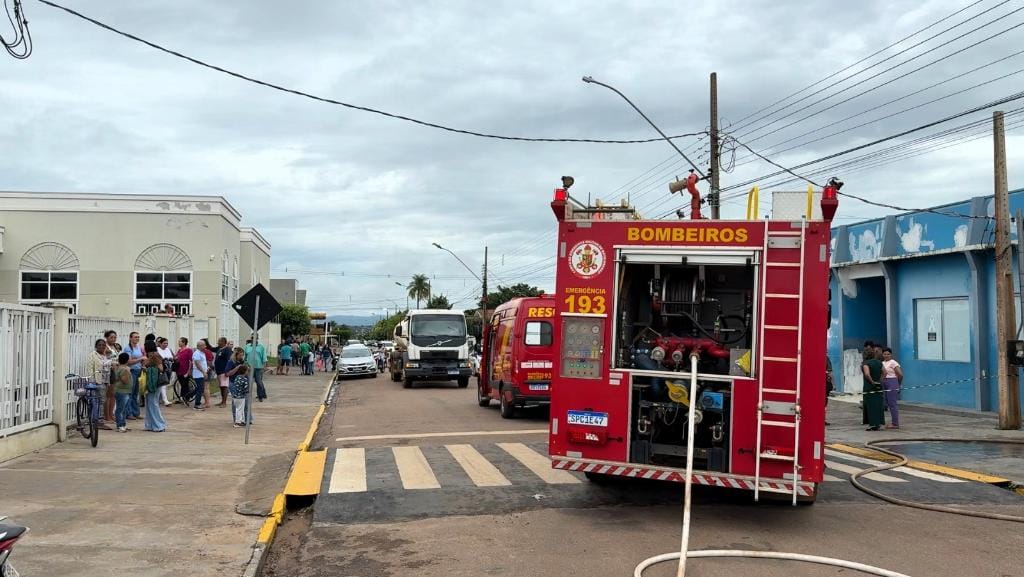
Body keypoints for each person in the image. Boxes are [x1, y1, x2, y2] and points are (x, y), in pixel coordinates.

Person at [85, 338, 114, 430]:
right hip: (97, 382)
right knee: (99, 402)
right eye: (99, 345)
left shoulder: (105, 356)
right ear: (96, 346)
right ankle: (99, 421)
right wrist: (92, 381)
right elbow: (90, 368)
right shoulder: (93, 355)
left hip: (105, 381)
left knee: (101, 401)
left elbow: (108, 368)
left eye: (103, 345)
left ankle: (97, 420)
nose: (101, 347)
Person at [142, 352, 167, 432]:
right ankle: (151, 425)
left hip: (152, 387)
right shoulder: (159, 364)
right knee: (152, 405)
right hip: (157, 386)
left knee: (152, 405)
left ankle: (158, 425)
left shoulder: (151, 366)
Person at [861, 348, 885, 431]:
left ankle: (872, 424)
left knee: (871, 406)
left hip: (869, 387)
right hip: (878, 387)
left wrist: (872, 382)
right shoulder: (879, 362)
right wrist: (879, 381)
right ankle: (879, 423)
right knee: (878, 405)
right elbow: (885, 372)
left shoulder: (866, 363)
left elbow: (867, 374)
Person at [124, 332, 145, 419]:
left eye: (138, 337)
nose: (137, 339)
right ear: (130, 338)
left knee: (136, 393)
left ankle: (136, 412)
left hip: (138, 370)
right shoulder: (128, 348)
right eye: (135, 337)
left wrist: (141, 363)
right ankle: (128, 413)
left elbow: (138, 359)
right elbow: (129, 361)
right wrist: (140, 359)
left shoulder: (138, 347)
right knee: (130, 392)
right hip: (131, 371)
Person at [881, 348, 903, 429]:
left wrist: (898, 384)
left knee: (892, 403)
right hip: (884, 382)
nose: (886, 355)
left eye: (888, 354)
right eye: (885, 354)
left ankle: (895, 423)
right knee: (886, 403)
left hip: (892, 382)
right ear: (882, 354)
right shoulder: (882, 363)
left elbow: (900, 374)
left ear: (891, 355)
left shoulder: (893, 362)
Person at [102, 330, 121, 422]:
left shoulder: (115, 346)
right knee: (108, 394)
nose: (113, 339)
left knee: (113, 394)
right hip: (108, 371)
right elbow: (104, 358)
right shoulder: (105, 347)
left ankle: (111, 414)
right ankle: (107, 415)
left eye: (115, 337)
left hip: (116, 370)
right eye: (111, 337)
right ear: (106, 337)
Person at [113, 352, 133, 433]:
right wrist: (128, 372)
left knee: (124, 409)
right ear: (127, 360)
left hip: (125, 391)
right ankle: (120, 425)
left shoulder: (121, 368)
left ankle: (123, 424)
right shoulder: (124, 369)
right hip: (122, 391)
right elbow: (125, 380)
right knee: (120, 409)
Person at [230, 363, 253, 427]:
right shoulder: (245, 380)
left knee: (239, 409)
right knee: (239, 409)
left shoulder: (237, 377)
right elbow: (246, 389)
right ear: (245, 372)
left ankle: (242, 421)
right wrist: (248, 392)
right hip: (241, 397)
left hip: (235, 396)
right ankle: (237, 422)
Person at [191, 339, 209, 411]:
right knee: (200, 389)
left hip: (201, 373)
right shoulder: (196, 353)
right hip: (198, 374)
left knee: (199, 388)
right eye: (204, 345)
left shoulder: (202, 353)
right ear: (199, 346)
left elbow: (202, 363)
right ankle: (197, 404)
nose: (205, 346)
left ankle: (186, 397)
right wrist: (203, 372)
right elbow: (197, 364)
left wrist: (206, 369)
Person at [175, 337, 194, 406]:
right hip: (179, 370)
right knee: (182, 384)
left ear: (184, 343)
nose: (178, 343)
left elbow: (191, 361)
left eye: (180, 342)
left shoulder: (189, 350)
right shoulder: (179, 350)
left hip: (185, 370)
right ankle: (182, 398)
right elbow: (177, 358)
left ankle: (186, 398)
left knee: (185, 385)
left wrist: (188, 371)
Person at [214, 337, 232, 408]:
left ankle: (224, 402)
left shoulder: (227, 349)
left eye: (219, 341)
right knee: (221, 386)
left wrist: (227, 370)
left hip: (224, 371)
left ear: (224, 342)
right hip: (219, 371)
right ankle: (222, 401)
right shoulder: (220, 349)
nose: (217, 342)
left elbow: (229, 360)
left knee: (224, 386)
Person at [156, 337, 174, 407]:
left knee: (165, 383)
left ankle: (161, 399)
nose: (166, 345)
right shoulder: (157, 349)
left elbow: (171, 357)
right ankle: (165, 400)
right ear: (160, 343)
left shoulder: (168, 349)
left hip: (169, 367)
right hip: (162, 368)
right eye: (164, 343)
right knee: (163, 383)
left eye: (167, 343)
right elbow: (161, 358)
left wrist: (170, 358)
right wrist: (166, 358)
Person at [200, 338, 215, 409]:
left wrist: (206, 370)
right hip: (206, 370)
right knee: (205, 387)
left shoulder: (206, 352)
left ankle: (207, 403)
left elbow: (209, 362)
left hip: (206, 371)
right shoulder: (207, 351)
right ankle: (206, 402)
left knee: (206, 387)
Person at [825, 355, 833, 427]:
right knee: (824, 402)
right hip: (825, 383)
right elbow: (829, 372)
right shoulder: (826, 358)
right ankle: (822, 419)